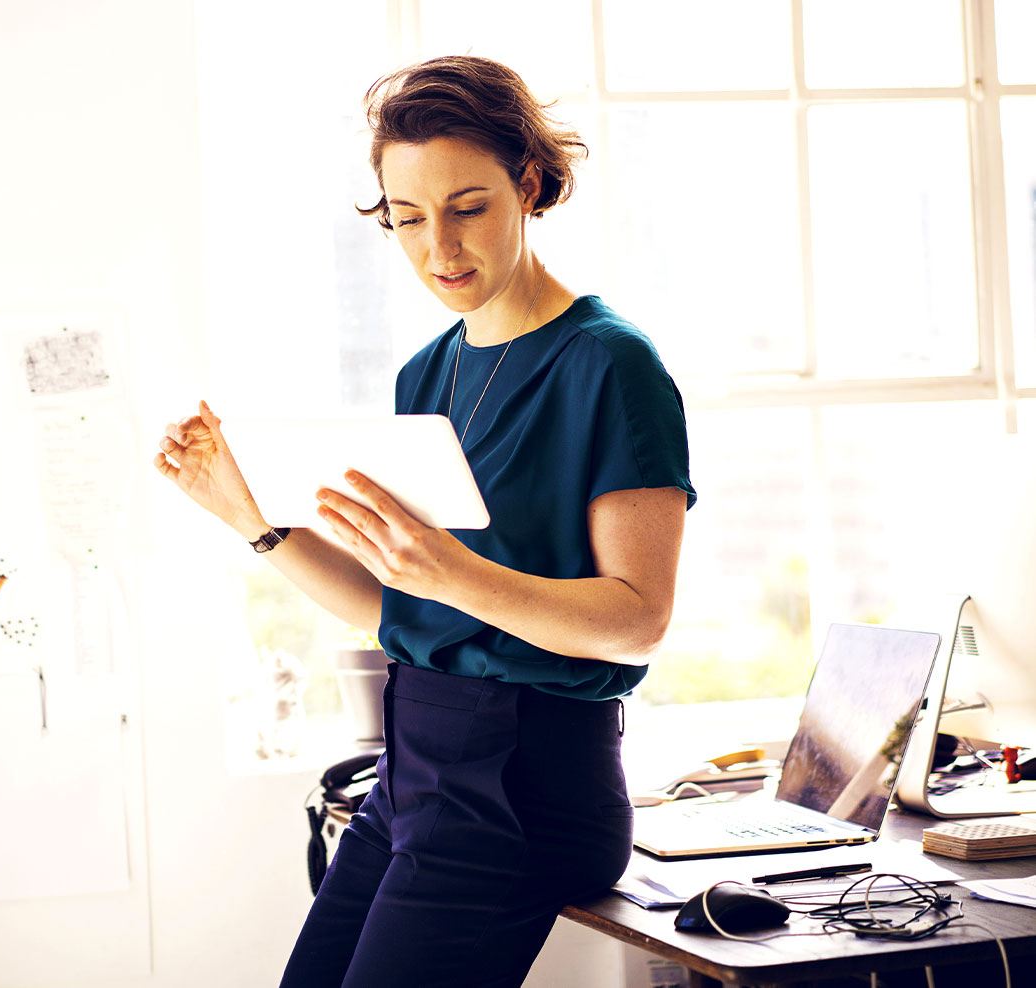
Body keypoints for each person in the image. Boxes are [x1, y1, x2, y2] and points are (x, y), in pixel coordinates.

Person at [154, 55, 696, 988]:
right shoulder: (425, 373)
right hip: (415, 770)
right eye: (407, 218)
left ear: (528, 184)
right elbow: (393, 610)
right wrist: (253, 521)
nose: (437, 247)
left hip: (529, 784)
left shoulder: (609, 365)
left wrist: (450, 573)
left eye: (467, 207)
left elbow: (636, 617)